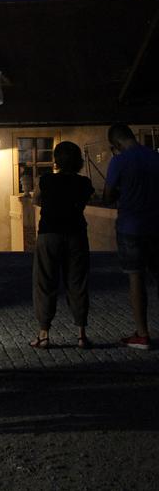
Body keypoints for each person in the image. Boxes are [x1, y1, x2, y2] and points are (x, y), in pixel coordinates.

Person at [30, 141, 94, 350]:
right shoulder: (84, 183)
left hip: (49, 234)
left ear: (56, 160)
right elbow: (83, 203)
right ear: (78, 161)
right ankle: (81, 335)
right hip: (76, 234)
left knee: (45, 282)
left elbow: (36, 201)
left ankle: (44, 334)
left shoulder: (45, 180)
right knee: (78, 283)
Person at [104, 124, 159, 350]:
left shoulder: (119, 161)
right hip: (156, 225)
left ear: (115, 144)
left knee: (136, 279)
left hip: (131, 227)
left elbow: (107, 196)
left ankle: (142, 334)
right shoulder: (155, 157)